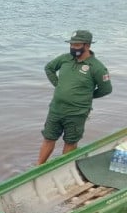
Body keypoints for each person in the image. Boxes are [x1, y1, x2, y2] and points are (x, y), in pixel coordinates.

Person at [37, 30, 112, 165]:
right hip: (56, 109)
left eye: (77, 45)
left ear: (87, 46)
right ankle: (38, 167)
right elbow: (49, 68)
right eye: (71, 44)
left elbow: (106, 89)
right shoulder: (65, 58)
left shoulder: (97, 67)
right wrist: (58, 85)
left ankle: (63, 168)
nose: (73, 48)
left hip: (77, 113)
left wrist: (87, 96)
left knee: (70, 142)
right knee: (48, 138)